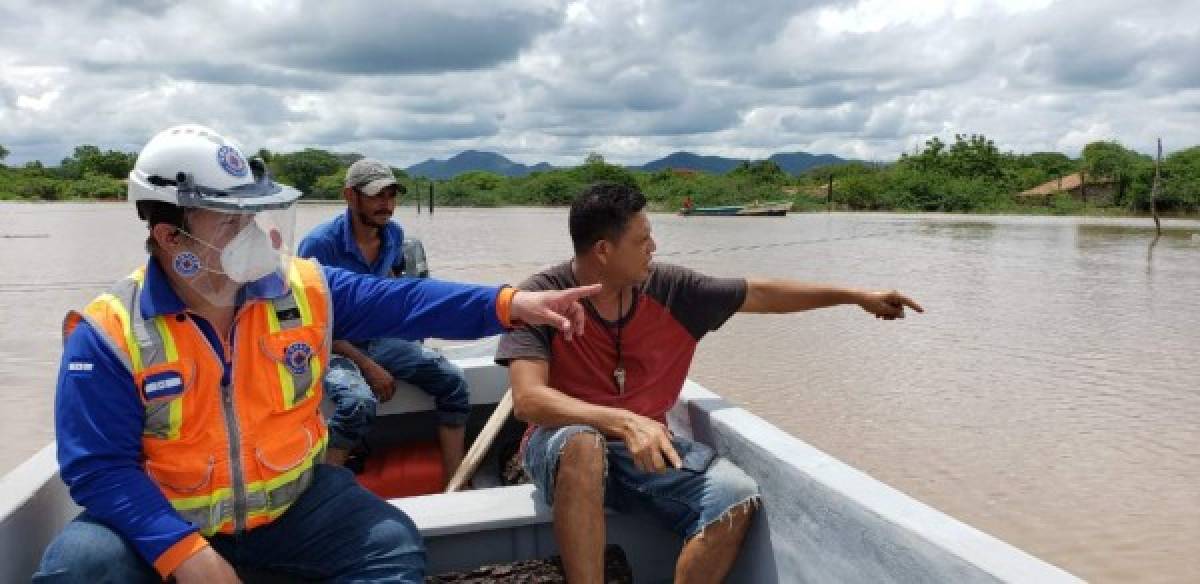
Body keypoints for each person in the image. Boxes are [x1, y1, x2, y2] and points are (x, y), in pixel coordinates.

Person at [34, 124, 598, 584]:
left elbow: (406, 302)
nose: (254, 236)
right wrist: (184, 553)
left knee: (391, 548)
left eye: (254, 217)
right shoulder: (109, 332)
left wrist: (512, 304)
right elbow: (98, 468)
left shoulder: (299, 289)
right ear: (171, 238)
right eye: (232, 222)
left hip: (294, 506)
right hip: (169, 513)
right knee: (79, 567)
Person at [496, 181, 923, 584]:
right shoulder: (542, 296)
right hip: (561, 448)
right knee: (584, 444)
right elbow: (529, 400)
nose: (654, 248)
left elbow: (761, 294)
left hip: (646, 449)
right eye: (642, 240)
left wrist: (855, 296)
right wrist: (625, 422)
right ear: (604, 250)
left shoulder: (671, 290)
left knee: (735, 496)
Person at [298, 158, 468, 481]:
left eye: (391, 196)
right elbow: (314, 323)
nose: (386, 205)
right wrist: (368, 365)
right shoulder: (319, 245)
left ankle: (457, 481)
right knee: (357, 403)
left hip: (377, 338)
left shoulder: (393, 235)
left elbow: (389, 289)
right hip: (332, 346)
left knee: (453, 381)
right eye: (377, 196)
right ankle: (322, 496)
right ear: (350, 196)